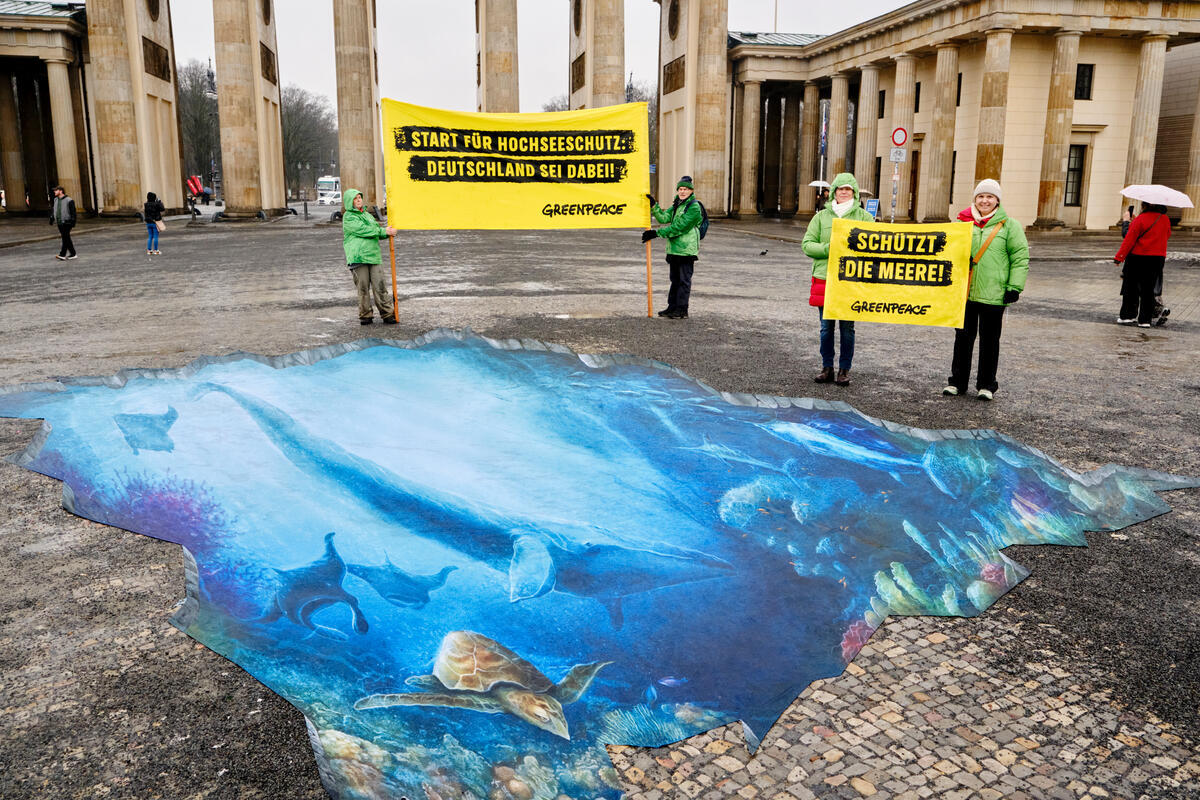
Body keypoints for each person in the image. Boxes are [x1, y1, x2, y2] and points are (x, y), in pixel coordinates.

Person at [943, 179, 1029, 401]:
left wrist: (1014, 286)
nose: (985, 200)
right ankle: (957, 382)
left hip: (994, 293)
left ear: (997, 200)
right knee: (963, 339)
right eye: (981, 196)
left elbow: (1019, 258)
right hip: (965, 292)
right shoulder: (962, 223)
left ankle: (986, 385)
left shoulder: (1010, 226)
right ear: (975, 199)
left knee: (990, 341)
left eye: (990, 197)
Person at [802, 172, 873, 387]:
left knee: (847, 327)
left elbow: (876, 245)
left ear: (854, 192)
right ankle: (826, 367)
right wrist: (829, 248)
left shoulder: (864, 217)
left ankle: (844, 369)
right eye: (840, 188)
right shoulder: (821, 217)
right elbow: (807, 244)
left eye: (848, 189)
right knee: (826, 327)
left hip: (851, 279)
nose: (844, 192)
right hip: (825, 277)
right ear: (834, 191)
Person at [642, 175, 703, 319]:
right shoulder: (677, 204)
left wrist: (656, 233)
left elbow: (679, 227)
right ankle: (672, 307)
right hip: (674, 248)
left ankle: (682, 310)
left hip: (686, 250)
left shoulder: (694, 206)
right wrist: (654, 205)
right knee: (675, 279)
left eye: (685, 189)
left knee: (684, 280)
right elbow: (663, 218)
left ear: (691, 191)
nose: (682, 192)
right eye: (680, 189)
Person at [342, 189, 398, 325]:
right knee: (363, 288)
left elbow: (376, 232)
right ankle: (365, 315)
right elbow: (365, 230)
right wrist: (383, 230)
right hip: (358, 257)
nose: (359, 200)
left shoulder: (368, 215)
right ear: (350, 202)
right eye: (355, 199)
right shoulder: (348, 217)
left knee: (380, 285)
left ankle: (387, 313)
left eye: (359, 197)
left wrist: (388, 233)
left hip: (373, 256)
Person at [1114, 202, 1170, 327]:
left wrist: (1119, 257)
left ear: (1145, 206)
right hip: (1158, 258)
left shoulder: (1141, 219)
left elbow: (1129, 239)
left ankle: (1127, 316)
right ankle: (1145, 320)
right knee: (1148, 289)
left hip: (1138, 257)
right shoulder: (1165, 219)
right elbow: (1167, 235)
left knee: (1131, 287)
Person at [50, 185, 77, 261]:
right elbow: (54, 210)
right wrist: (52, 218)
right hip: (59, 222)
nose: (54, 191)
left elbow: (73, 212)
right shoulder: (55, 200)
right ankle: (73, 253)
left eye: (56, 190)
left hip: (67, 222)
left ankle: (62, 254)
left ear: (61, 191)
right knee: (66, 237)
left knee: (65, 237)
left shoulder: (69, 200)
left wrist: (73, 221)